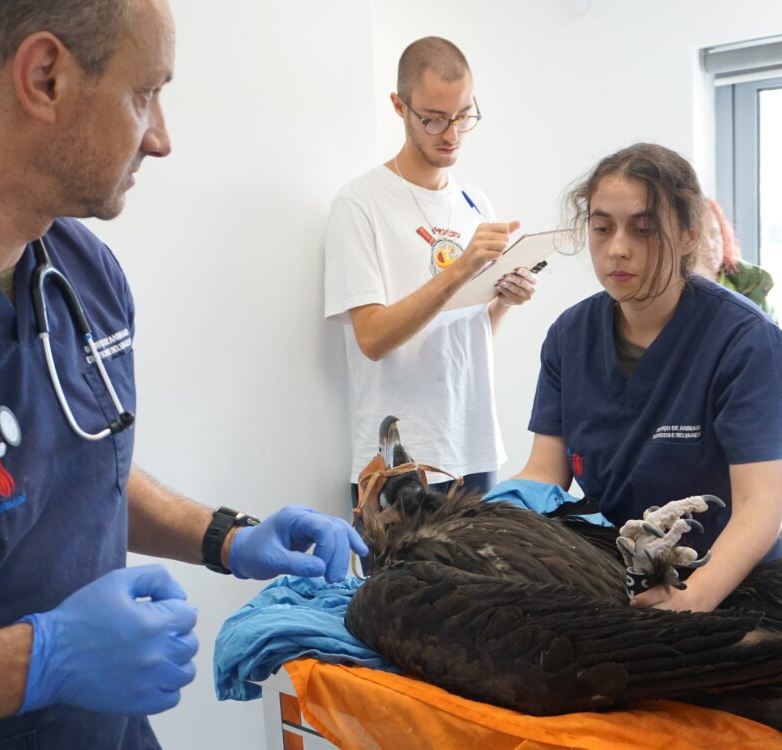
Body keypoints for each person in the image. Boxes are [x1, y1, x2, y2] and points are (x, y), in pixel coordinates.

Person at [0, 1, 367, 748]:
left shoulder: (82, 271)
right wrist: (37, 663)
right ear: (43, 76)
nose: (161, 138)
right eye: (144, 93)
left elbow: (63, 462)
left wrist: (227, 539)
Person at [509, 142, 782, 613]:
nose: (617, 249)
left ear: (689, 234)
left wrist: (691, 601)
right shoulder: (569, 336)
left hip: (737, 589)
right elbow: (545, 474)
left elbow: (762, 508)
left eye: (644, 229)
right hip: (620, 577)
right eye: (601, 228)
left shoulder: (744, 341)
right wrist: (490, 517)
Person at [323, 37, 537, 513]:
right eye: (435, 118)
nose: (452, 133)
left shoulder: (474, 203)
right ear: (399, 106)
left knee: (485, 590)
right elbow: (372, 338)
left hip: (474, 446)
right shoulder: (360, 203)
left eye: (463, 115)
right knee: (400, 591)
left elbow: (467, 335)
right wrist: (460, 269)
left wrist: (503, 299)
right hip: (399, 462)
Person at [694, 197, 776, 320]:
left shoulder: (753, 285)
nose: (710, 245)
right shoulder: (671, 295)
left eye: (714, 234)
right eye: (699, 238)